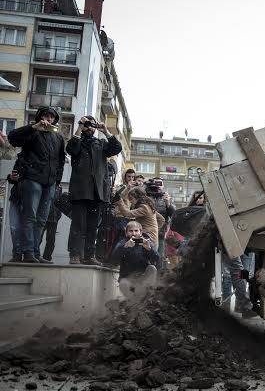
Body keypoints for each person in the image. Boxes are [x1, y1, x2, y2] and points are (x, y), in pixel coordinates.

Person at [8, 107, 66, 263]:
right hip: (32, 179)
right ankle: (27, 252)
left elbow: (61, 160)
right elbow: (12, 138)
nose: (48, 118)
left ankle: (35, 252)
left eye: (52, 116)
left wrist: (57, 180)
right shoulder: (32, 131)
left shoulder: (58, 137)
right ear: (40, 117)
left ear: (55, 119)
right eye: (46, 115)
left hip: (50, 182)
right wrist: (33, 127)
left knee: (41, 219)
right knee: (30, 216)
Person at [65, 116, 122, 265]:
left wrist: (106, 131)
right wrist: (79, 126)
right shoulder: (77, 141)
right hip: (80, 191)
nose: (89, 127)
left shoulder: (101, 143)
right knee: (78, 224)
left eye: (92, 125)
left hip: (97, 192)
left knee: (93, 226)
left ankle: (89, 256)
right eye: (87, 124)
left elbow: (117, 148)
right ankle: (75, 254)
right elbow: (70, 149)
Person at [111, 221, 158, 299]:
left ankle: (147, 294)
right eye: (131, 231)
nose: (133, 233)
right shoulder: (122, 243)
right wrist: (125, 248)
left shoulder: (146, 242)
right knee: (123, 284)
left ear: (140, 232)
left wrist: (149, 249)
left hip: (143, 277)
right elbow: (114, 261)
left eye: (136, 231)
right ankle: (133, 302)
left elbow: (157, 260)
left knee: (152, 268)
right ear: (126, 233)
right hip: (127, 278)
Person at [145, 177, 175, 266]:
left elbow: (173, 215)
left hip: (160, 233)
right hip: (146, 232)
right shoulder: (146, 197)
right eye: (156, 183)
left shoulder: (166, 198)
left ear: (163, 186)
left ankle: (157, 278)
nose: (158, 186)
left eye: (160, 184)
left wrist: (168, 204)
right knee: (145, 255)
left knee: (159, 257)